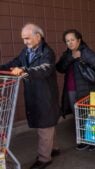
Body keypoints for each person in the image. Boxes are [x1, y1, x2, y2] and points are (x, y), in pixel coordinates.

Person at [0, 23, 60, 169]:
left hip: (45, 94)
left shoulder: (47, 52)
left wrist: (24, 70)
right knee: (47, 124)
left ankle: (44, 158)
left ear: (38, 36)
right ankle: (53, 149)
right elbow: (15, 63)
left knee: (45, 125)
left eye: (27, 38)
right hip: (33, 92)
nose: (25, 41)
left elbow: (44, 69)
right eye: (23, 39)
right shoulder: (26, 51)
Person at [56, 29, 95, 151]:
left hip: (87, 89)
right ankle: (83, 139)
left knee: (89, 116)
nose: (70, 43)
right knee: (78, 116)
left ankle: (94, 140)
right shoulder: (67, 54)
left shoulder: (86, 52)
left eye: (72, 40)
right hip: (71, 89)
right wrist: (71, 58)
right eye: (67, 41)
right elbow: (60, 68)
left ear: (79, 40)